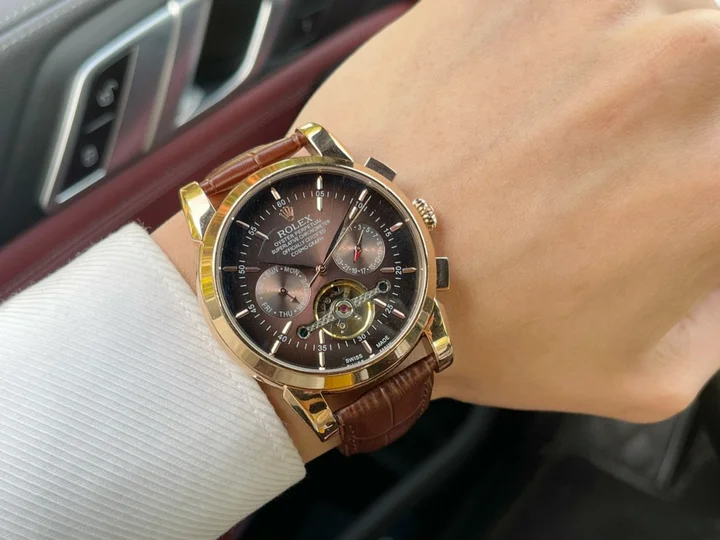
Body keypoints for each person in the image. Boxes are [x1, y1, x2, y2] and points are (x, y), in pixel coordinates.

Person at [3, 0, 720, 537]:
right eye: (294, 283)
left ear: (418, 224)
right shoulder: (289, 318)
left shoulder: (399, 265)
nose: (314, 277)